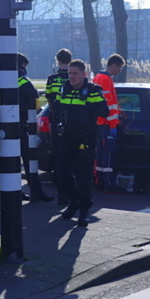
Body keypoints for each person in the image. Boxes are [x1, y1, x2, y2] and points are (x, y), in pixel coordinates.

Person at [52, 59, 108, 227]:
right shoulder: (64, 89)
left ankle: (84, 210)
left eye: (75, 73)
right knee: (61, 172)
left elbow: (104, 112)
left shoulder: (92, 91)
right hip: (67, 137)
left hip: (85, 139)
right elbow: (57, 109)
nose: (72, 77)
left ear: (84, 74)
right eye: (69, 73)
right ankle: (73, 201)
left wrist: (91, 103)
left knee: (84, 176)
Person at [17, 53, 53, 203]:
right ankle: (36, 191)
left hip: (0, 125)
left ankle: (5, 187)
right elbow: (33, 93)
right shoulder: (21, 78)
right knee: (29, 158)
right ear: (22, 65)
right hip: (20, 124)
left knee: (5, 160)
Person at [44, 48, 72, 206]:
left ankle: (60, 191)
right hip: (72, 122)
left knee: (58, 155)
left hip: (56, 121)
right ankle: (69, 191)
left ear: (58, 61)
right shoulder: (74, 77)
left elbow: (49, 100)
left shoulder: (52, 79)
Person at [94, 53, 124, 191]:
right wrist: (113, 124)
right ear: (113, 65)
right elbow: (108, 105)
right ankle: (108, 182)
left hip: (99, 123)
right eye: (119, 68)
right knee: (108, 153)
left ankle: (98, 179)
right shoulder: (106, 79)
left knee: (100, 152)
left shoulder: (98, 78)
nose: (119, 71)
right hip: (106, 124)